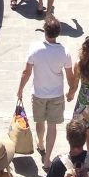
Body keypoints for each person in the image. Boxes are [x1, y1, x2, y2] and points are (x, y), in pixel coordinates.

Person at [16, 16, 74, 166]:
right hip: (56, 94)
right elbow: (70, 76)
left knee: (39, 121)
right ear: (58, 33)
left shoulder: (35, 49)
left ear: (44, 31)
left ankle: (40, 143)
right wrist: (71, 92)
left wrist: (20, 89)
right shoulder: (64, 52)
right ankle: (47, 158)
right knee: (52, 126)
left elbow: (26, 72)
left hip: (39, 93)